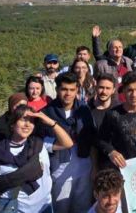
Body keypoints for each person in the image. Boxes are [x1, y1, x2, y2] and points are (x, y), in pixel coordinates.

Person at [0, 105, 74, 213]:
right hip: (17, 209)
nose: (27, 124)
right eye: (23, 119)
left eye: (31, 121)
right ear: (12, 125)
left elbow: (67, 143)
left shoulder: (39, 144)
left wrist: (51, 122)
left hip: (45, 206)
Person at [40, 71, 95, 213]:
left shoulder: (84, 110)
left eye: (72, 89)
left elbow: (91, 136)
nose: (68, 94)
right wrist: (55, 145)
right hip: (59, 170)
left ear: (77, 89)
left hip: (83, 168)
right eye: (64, 89)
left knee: (82, 209)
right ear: (57, 90)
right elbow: (38, 141)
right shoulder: (46, 113)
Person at [88, 73, 120, 174]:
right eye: (101, 87)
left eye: (108, 88)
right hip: (97, 162)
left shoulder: (119, 109)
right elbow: (91, 142)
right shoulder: (87, 110)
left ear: (113, 90)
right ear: (95, 86)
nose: (104, 91)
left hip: (119, 161)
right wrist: (94, 167)